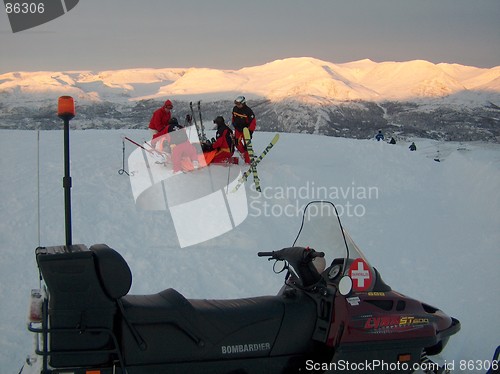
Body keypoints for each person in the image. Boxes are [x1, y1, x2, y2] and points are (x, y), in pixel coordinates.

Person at [231, 96, 256, 164]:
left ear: (243, 103)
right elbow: (233, 117)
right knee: (236, 142)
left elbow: (253, 122)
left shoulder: (248, 111)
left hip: (246, 130)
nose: (237, 105)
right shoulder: (235, 109)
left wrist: (250, 131)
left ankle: (248, 161)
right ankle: (243, 153)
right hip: (238, 129)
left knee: (246, 145)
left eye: (239, 104)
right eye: (236, 104)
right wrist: (234, 123)